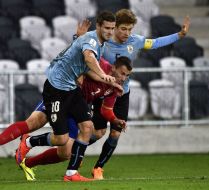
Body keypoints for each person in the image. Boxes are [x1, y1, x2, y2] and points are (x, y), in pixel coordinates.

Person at [75, 9, 190, 180]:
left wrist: (179, 35)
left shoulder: (135, 41)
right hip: (103, 92)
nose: (127, 33)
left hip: (122, 94)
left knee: (115, 133)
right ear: (114, 28)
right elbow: (81, 46)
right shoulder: (102, 39)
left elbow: (156, 42)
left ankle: (98, 167)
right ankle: (77, 151)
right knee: (98, 133)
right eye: (123, 29)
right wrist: (77, 37)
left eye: (130, 29)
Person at [15, 11, 116, 182]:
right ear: (98, 26)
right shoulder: (91, 41)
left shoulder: (99, 43)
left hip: (71, 90)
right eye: (107, 28)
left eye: (112, 28)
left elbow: (85, 65)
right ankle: (28, 142)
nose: (110, 32)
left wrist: (108, 81)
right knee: (60, 139)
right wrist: (103, 74)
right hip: (56, 90)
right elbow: (89, 58)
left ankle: (71, 174)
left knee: (87, 127)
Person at [17, 56, 132, 181]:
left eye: (127, 76)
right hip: (62, 95)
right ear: (114, 67)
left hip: (76, 106)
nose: (124, 78)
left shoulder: (114, 88)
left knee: (65, 152)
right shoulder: (100, 64)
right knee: (34, 123)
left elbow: (106, 110)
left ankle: (29, 162)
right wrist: (80, 75)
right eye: (122, 74)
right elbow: (82, 58)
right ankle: (29, 142)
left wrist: (115, 120)